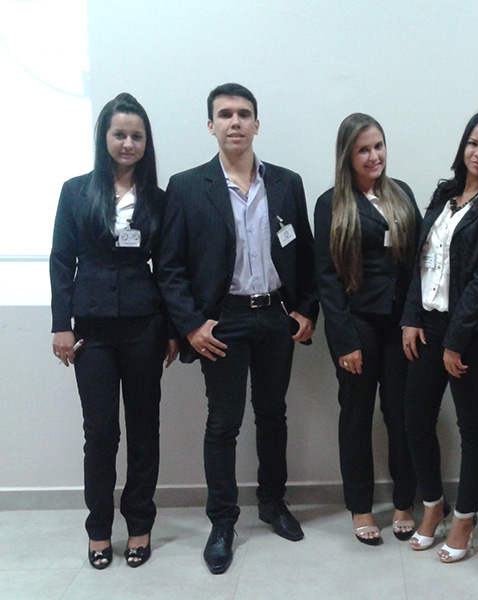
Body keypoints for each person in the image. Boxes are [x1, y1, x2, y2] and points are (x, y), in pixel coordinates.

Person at [157, 83, 318, 575]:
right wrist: (190, 325)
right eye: (225, 114)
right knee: (223, 423)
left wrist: (306, 309)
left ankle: (272, 503)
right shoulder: (187, 186)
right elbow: (170, 267)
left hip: (275, 316)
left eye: (244, 114)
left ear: (256, 124)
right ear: (211, 125)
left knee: (273, 415)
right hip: (221, 321)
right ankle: (222, 522)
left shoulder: (286, 183)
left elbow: (305, 255)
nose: (235, 122)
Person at [50, 92, 178, 570]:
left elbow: (169, 269)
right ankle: (99, 529)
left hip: (145, 327)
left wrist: (171, 330)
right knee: (101, 433)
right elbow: (61, 261)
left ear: (146, 143)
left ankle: (140, 523)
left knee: (144, 429)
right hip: (92, 331)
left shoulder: (160, 200)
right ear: (104, 137)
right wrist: (61, 326)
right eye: (120, 134)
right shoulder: (76, 192)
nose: (128, 143)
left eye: (136, 136)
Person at [401, 110, 478, 562]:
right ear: (463, 145)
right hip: (427, 326)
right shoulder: (444, 193)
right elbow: (421, 260)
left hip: (472, 333)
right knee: (415, 418)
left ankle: (466, 517)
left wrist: (454, 341)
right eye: (473, 143)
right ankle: (434, 505)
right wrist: (411, 317)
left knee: (472, 425)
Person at [314, 113, 421, 545]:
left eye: (378, 146)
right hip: (356, 326)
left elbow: (417, 265)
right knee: (356, 416)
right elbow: (326, 277)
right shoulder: (331, 203)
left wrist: (413, 320)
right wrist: (344, 340)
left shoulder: (402, 194)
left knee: (402, 414)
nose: (374, 156)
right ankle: (360, 506)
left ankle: (404, 501)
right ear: (347, 155)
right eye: (363, 149)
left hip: (401, 327)